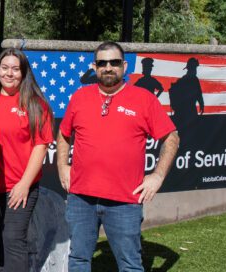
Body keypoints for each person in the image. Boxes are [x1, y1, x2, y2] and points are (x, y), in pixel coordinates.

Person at [56, 41, 180, 271]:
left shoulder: (144, 99)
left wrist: (158, 175)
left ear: (124, 66)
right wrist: (63, 166)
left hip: (124, 201)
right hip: (81, 197)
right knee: (78, 259)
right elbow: (63, 134)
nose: (108, 67)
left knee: (130, 264)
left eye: (114, 62)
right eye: (102, 63)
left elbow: (172, 137)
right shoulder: (80, 97)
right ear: (94, 67)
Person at [0, 48, 55, 272]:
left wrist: (24, 185)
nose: (9, 73)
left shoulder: (35, 105)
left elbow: (40, 148)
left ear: (23, 73)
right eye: (4, 68)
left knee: (13, 239)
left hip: (19, 188)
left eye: (15, 69)